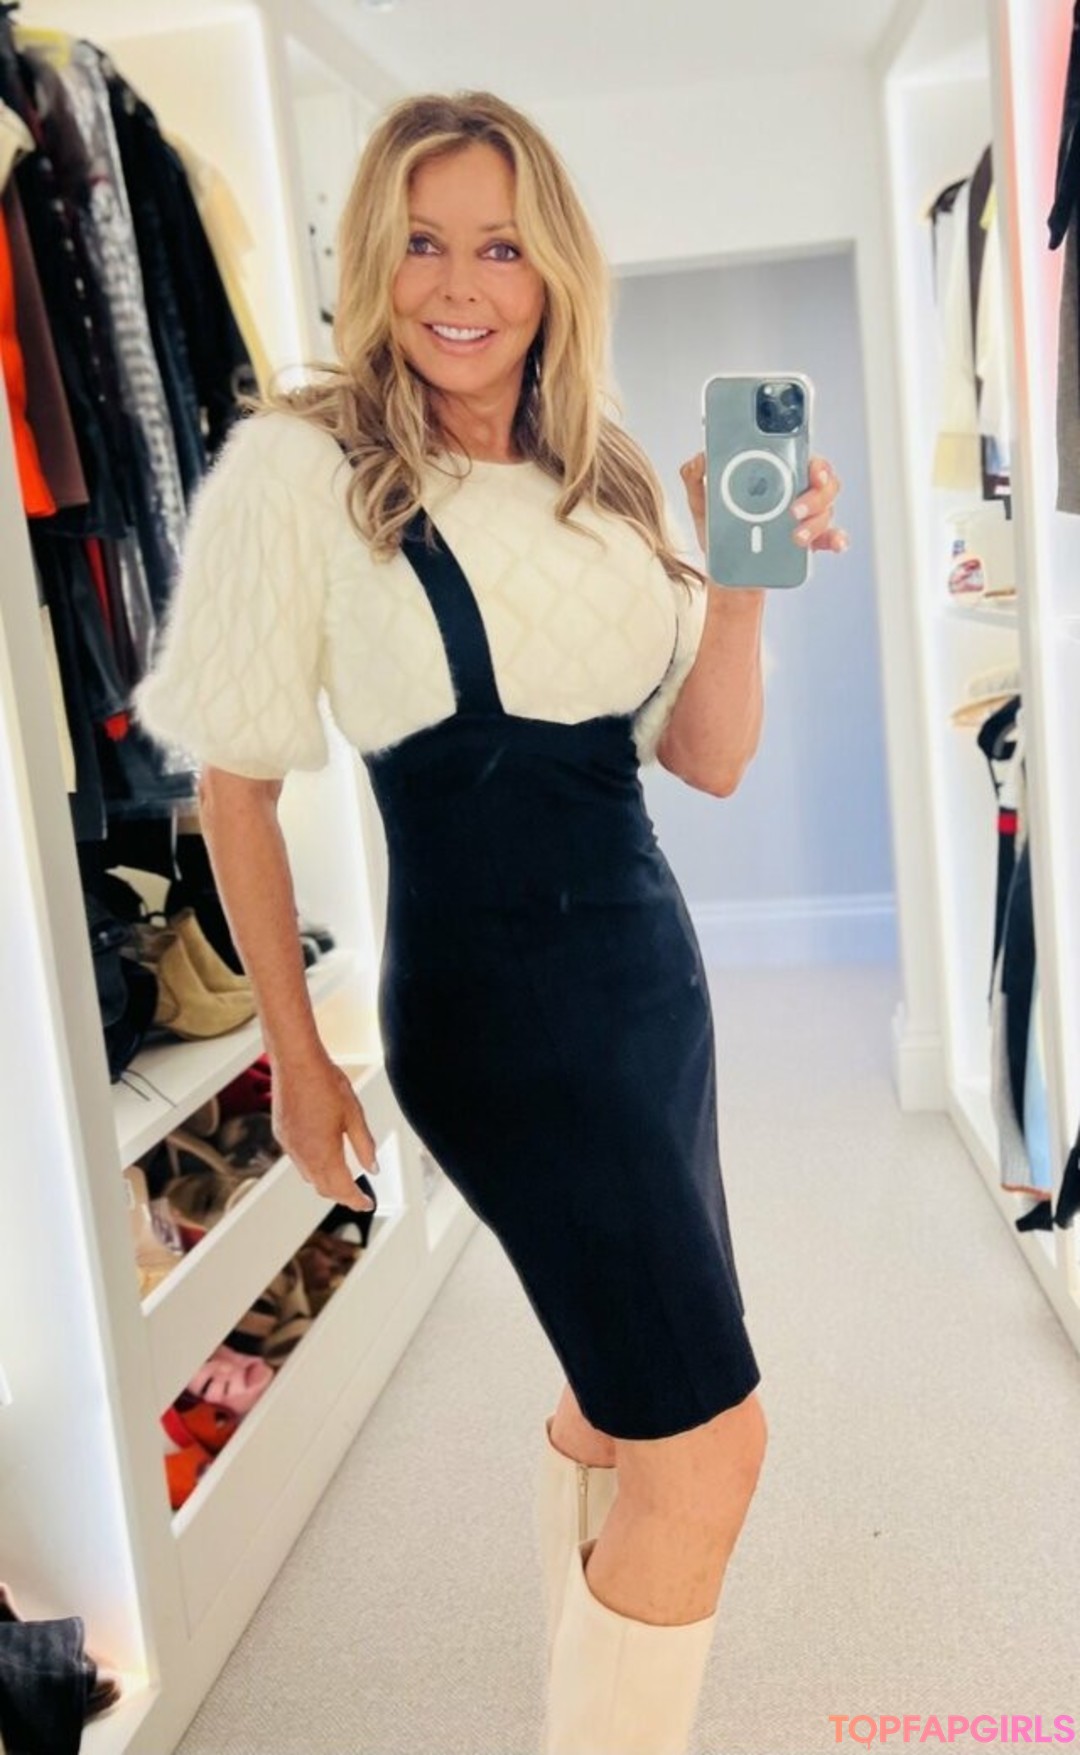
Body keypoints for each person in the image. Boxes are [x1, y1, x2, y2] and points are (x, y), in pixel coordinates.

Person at [134, 89, 846, 1755]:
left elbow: (709, 758)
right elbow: (236, 790)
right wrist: (300, 1067)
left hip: (650, 992)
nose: (461, 285)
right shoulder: (301, 470)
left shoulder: (605, 470)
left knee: (623, 1398)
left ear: (556, 269)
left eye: (503, 247)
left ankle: (581, 1695)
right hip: (503, 1014)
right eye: (423, 244)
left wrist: (743, 591)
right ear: (372, 264)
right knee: (714, 1449)